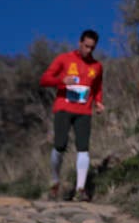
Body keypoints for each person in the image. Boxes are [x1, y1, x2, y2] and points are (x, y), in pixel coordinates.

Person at [40, 30, 105, 201]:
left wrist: (98, 102)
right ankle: (54, 181)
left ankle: (80, 189)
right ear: (79, 43)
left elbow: (97, 87)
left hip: (84, 111)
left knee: (83, 148)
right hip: (63, 108)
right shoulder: (64, 59)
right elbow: (45, 79)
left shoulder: (97, 66)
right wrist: (61, 80)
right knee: (60, 145)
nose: (89, 50)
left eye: (92, 47)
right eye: (86, 46)